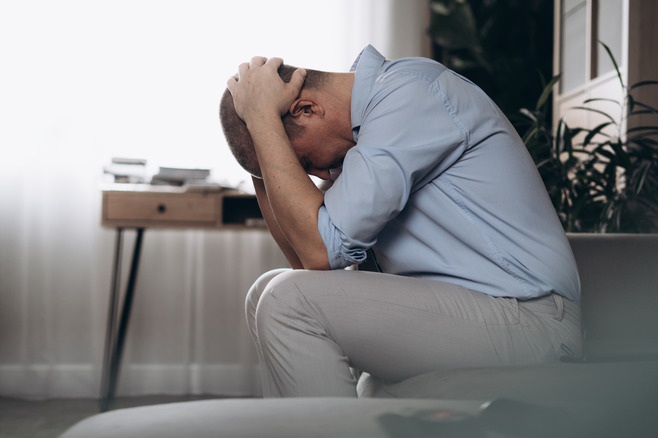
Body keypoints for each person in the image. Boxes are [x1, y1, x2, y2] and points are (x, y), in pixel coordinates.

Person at [220, 45, 582, 398]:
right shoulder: (361, 137)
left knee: (287, 299)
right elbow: (305, 262)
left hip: (529, 317)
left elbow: (319, 251)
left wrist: (264, 120)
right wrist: (260, 142)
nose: (313, 175)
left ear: (306, 109)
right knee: (265, 291)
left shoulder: (409, 95)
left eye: (302, 163)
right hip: (470, 313)